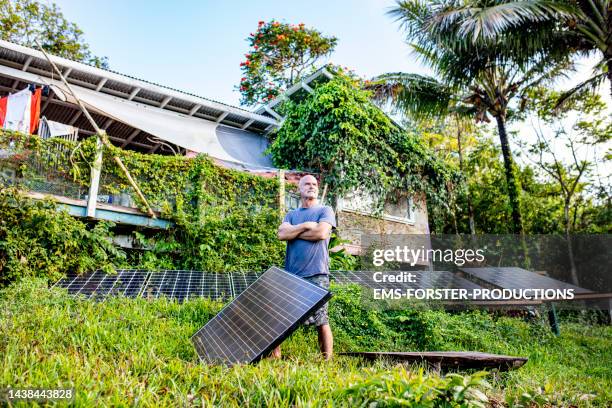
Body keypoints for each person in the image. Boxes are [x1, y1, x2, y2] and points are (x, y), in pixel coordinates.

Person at [273, 174, 336, 360]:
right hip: (292, 274)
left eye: (314, 184)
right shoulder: (291, 214)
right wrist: (307, 225)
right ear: (299, 189)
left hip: (317, 273)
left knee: (321, 320)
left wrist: (295, 232)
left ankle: (327, 361)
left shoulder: (325, 210)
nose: (312, 186)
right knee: (280, 317)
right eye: (307, 184)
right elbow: (281, 234)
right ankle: (275, 356)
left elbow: (321, 233)